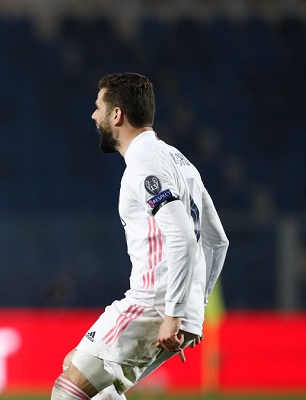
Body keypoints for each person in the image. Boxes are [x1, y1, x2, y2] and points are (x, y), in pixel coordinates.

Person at [51, 72, 229, 400]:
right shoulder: (180, 162)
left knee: (68, 391)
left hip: (153, 304)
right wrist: (194, 307)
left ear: (116, 115)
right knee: (86, 377)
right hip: (170, 307)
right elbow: (217, 241)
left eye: (98, 107)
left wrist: (175, 314)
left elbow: (184, 237)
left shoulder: (144, 164)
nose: (93, 116)